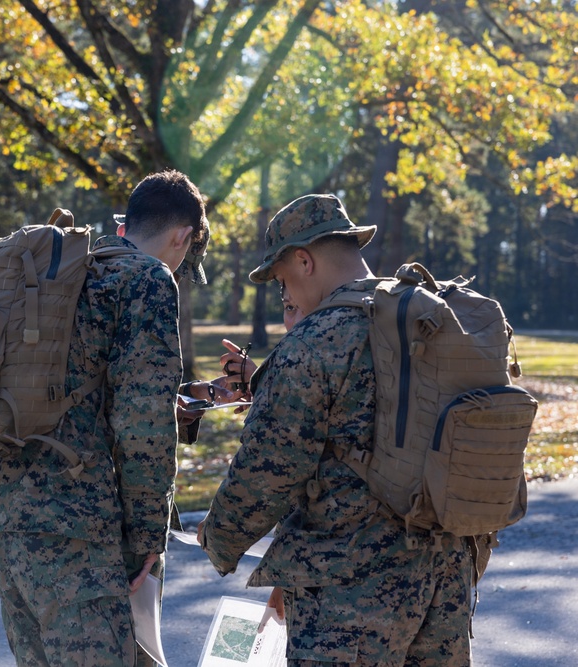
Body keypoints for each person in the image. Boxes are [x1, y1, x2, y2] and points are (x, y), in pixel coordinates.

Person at [198, 194, 473, 665]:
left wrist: (216, 538)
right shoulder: (422, 319)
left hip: (351, 594)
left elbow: (266, 473)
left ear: (304, 261)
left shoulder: (314, 343)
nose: (286, 295)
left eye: (284, 280)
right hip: (445, 576)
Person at [0, 169, 210, 667]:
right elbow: (143, 425)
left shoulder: (69, 272)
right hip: (81, 541)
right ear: (183, 236)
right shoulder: (148, 280)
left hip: (7, 526)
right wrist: (149, 539)